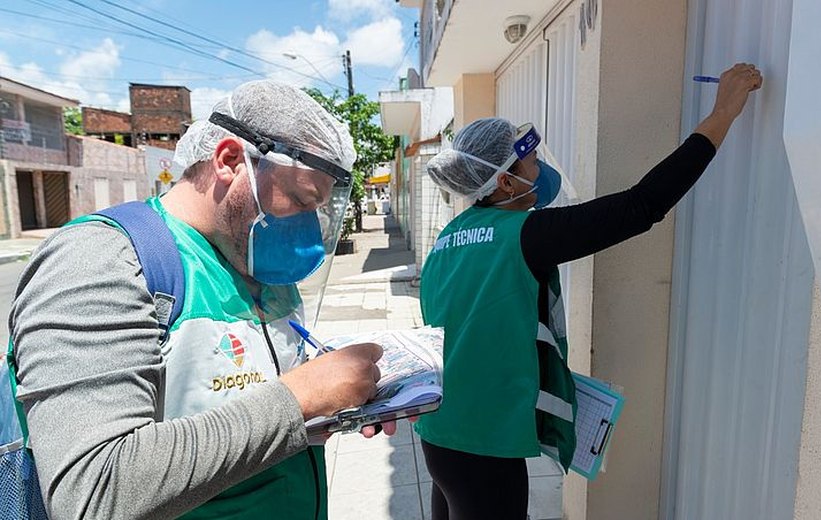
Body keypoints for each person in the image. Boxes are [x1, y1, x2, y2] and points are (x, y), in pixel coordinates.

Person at [8, 80, 398, 519]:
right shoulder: (101, 260)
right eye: (301, 200)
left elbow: (250, 399)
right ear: (230, 160)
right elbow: (93, 492)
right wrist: (301, 398)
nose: (308, 226)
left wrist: (334, 399)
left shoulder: (256, 260)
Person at [415, 63, 764, 519]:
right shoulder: (523, 233)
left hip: (441, 430)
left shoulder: (450, 236)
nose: (539, 168)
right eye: (530, 161)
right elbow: (641, 206)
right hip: (484, 445)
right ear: (503, 180)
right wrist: (723, 113)